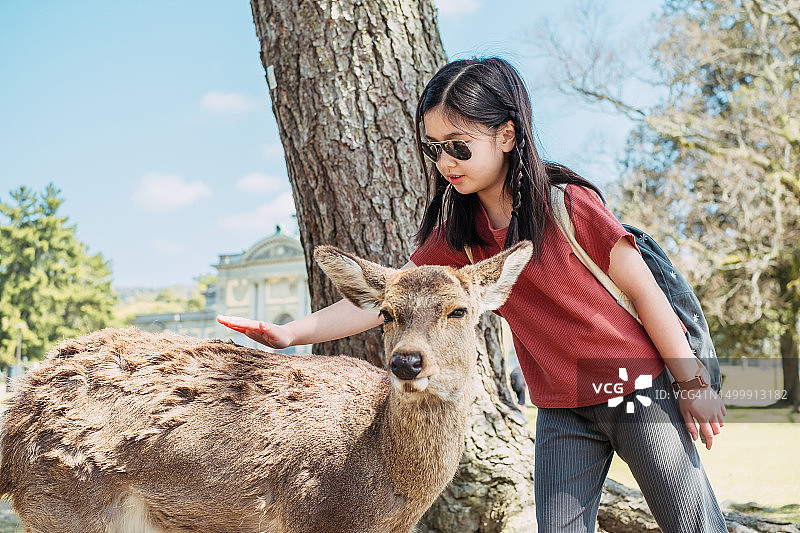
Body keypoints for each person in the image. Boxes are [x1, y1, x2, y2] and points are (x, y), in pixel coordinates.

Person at [218, 57, 727, 533]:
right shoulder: (459, 237)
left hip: (638, 389)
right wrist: (290, 332)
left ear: (506, 135)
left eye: (458, 146)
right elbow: (386, 301)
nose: (445, 161)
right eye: (433, 148)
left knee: (693, 524)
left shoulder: (568, 204)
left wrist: (692, 383)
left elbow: (646, 294)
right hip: (560, 406)